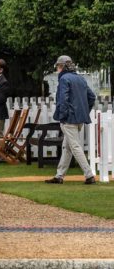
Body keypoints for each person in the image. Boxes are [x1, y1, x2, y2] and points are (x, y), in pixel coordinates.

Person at [45, 55, 97, 185]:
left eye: (57, 66)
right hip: (79, 119)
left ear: (61, 66)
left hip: (69, 119)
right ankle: (59, 176)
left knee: (74, 146)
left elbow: (63, 100)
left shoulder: (64, 79)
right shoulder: (80, 78)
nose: (57, 68)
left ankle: (89, 175)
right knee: (67, 147)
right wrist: (84, 111)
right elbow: (91, 97)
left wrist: (62, 117)